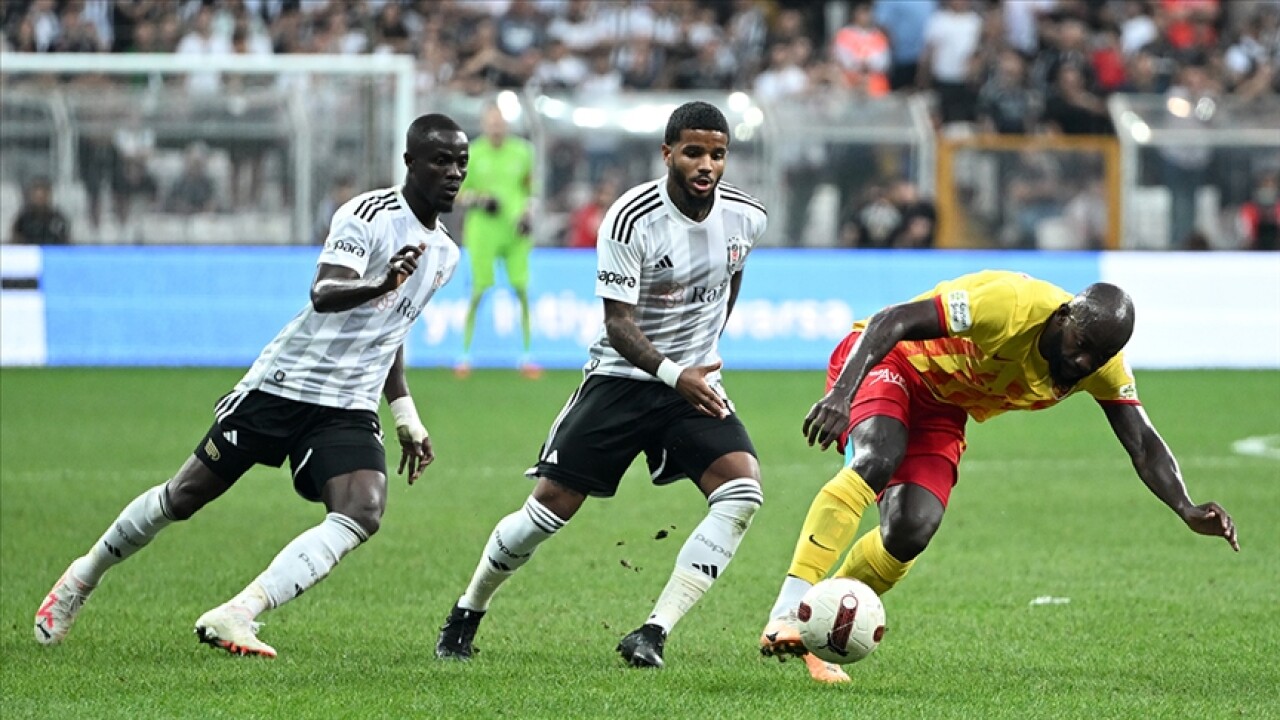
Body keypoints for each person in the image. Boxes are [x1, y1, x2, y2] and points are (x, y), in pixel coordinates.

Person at [33, 113, 470, 658]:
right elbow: (324, 292)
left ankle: (239, 612)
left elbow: (391, 332)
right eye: (440, 160)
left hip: (348, 404)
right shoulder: (368, 215)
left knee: (363, 510)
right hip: (286, 385)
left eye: (461, 162)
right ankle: (83, 576)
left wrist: (405, 414)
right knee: (182, 497)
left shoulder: (445, 254)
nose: (454, 173)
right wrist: (382, 281)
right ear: (409, 162)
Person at [758, 270, 1240, 683]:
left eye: (1099, 357)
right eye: (1081, 347)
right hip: (891, 361)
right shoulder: (1010, 305)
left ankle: (813, 626)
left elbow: (1143, 442)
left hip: (943, 407)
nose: (1084, 363)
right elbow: (893, 320)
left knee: (911, 529)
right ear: (1063, 317)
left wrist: (1186, 507)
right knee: (877, 457)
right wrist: (842, 394)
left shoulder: (1101, 363)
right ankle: (788, 608)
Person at [434, 102, 768, 670]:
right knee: (548, 510)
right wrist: (675, 373)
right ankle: (469, 609)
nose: (706, 165)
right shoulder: (631, 218)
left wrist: (704, 350)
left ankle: (653, 633)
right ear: (668, 153)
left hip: (691, 383)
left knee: (743, 491)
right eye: (693, 152)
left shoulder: (747, 215)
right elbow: (618, 325)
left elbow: (732, 275)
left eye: (717, 154)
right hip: (621, 381)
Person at [455, 103, 539, 379]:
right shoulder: (472, 153)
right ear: (484, 124)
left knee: (522, 290)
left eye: (500, 122)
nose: (496, 127)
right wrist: (480, 199)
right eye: (491, 122)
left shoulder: (523, 152)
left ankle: (526, 356)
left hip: (514, 231)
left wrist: (527, 214)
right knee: (478, 291)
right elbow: (458, 194)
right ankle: (464, 355)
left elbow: (530, 190)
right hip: (483, 231)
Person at [10, 177, 70, 245]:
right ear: (31, 196)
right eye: (37, 196)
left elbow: (66, 243)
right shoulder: (22, 220)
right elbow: (15, 243)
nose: (40, 198)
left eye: (44, 195)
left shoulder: (58, 219)